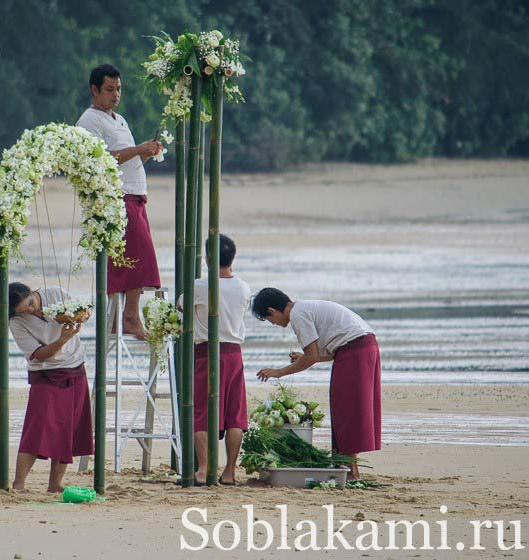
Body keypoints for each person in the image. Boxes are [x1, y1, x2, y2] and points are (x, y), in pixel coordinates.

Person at [251, 288, 381, 479]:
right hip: (360, 348)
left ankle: (351, 471)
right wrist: (304, 357)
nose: (274, 324)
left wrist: (279, 372)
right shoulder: (304, 308)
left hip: (356, 350)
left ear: (272, 310)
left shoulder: (297, 315)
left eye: (270, 319)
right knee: (345, 407)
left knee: (346, 409)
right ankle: (344, 466)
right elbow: (325, 352)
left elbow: (311, 357)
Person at [76, 63, 163, 340]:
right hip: (117, 197)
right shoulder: (90, 121)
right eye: (110, 90)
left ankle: (126, 315)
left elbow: (128, 159)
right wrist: (138, 149)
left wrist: (146, 153)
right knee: (139, 255)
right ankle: (129, 317)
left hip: (135, 193)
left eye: (119, 89)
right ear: (95, 90)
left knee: (140, 255)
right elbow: (99, 160)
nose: (116, 95)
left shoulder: (120, 119)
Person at [179, 234, 251, 486]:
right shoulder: (243, 287)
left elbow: (180, 307)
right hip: (234, 354)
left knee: (202, 410)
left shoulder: (199, 285)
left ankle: (203, 469)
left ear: (207, 259)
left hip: (207, 353)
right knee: (235, 413)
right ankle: (229, 471)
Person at [8, 282, 93, 492]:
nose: (30, 310)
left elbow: (85, 310)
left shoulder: (55, 293)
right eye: (23, 310)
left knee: (70, 429)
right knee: (37, 428)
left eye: (30, 303)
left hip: (75, 365)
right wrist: (62, 340)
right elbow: (38, 354)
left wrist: (79, 317)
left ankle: (55, 484)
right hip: (46, 373)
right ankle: (18, 484)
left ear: (31, 292)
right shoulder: (17, 323)